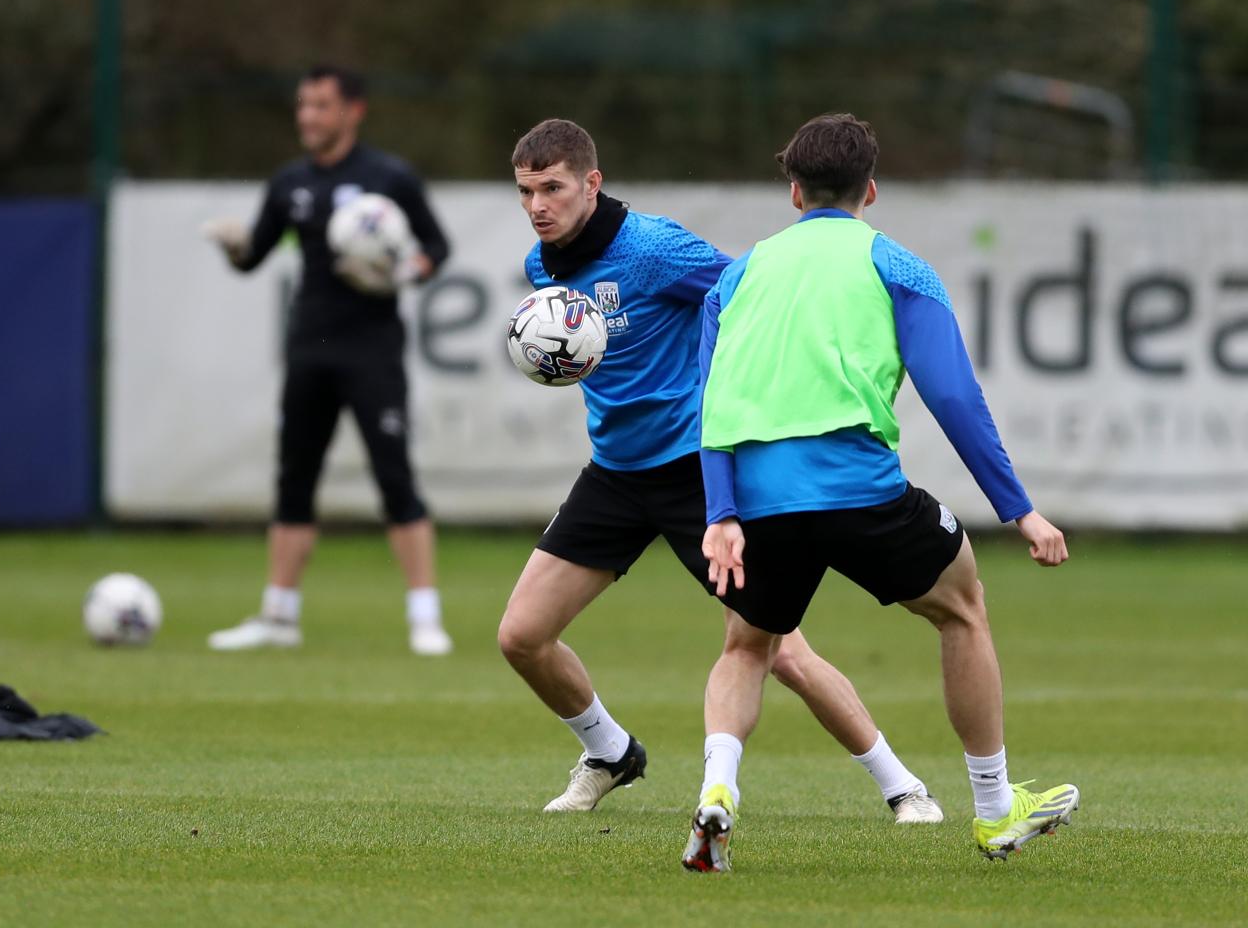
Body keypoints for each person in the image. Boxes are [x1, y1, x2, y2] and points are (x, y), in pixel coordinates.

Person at [499, 118, 943, 822]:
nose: (537, 206)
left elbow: (745, 294)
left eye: (551, 188)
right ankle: (610, 753)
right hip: (614, 475)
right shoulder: (541, 267)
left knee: (779, 650)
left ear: (592, 182)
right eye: (525, 192)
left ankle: (902, 785)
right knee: (521, 636)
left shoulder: (652, 248)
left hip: (692, 475)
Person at [687, 113, 1079, 872]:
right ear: (871, 188)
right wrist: (1018, 508)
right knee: (962, 609)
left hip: (760, 500)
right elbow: (955, 398)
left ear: (794, 190)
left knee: (746, 646)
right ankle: (996, 810)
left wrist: (721, 513)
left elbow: (710, 404)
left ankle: (718, 792)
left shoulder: (738, 276)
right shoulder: (897, 266)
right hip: (862, 492)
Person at [202, 64, 453, 656]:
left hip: (373, 350)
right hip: (308, 348)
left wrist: (404, 269)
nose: (307, 116)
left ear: (352, 111)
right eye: (302, 105)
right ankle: (279, 616)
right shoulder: (289, 182)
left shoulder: (388, 177)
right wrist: (236, 245)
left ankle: (425, 617)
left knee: (394, 476)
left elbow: (436, 246)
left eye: (320, 105)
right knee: (294, 478)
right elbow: (254, 256)